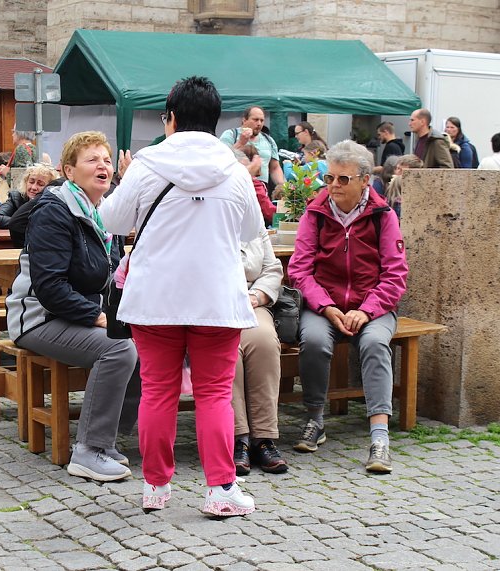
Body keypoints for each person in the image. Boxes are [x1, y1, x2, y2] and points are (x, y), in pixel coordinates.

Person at [100, 76, 262, 516]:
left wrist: (121, 177)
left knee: (157, 391)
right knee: (213, 394)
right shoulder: (235, 169)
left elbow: (110, 218)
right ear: (215, 121)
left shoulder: (147, 164)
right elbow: (250, 231)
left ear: (170, 117)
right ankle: (221, 490)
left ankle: (155, 486)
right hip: (216, 298)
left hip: (155, 297)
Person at [5, 131, 139, 483]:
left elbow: (110, 279)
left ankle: (109, 441)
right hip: (38, 317)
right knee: (118, 349)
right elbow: (50, 288)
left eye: (107, 160)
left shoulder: (102, 216)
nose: (103, 166)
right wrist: (100, 318)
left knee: (145, 339)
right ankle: (88, 452)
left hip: (76, 315)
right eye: (92, 159)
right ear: (68, 170)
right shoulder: (55, 210)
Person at [287, 139, 408, 474]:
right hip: (324, 305)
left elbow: (395, 275)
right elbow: (299, 269)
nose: (334, 186)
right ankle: (315, 420)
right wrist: (326, 307)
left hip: (373, 306)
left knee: (373, 342)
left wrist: (366, 310)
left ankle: (379, 438)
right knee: (312, 341)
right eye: (330, 178)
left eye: (343, 179)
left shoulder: (383, 216)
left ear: (364, 180)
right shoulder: (316, 211)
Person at [232, 229, 286, 476]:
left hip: (252, 302)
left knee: (263, 341)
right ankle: (237, 437)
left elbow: (273, 269)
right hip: (211, 306)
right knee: (227, 349)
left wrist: (256, 296)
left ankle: (263, 438)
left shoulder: (254, 226)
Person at [220, 106, 286, 191]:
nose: (259, 123)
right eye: (255, 120)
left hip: (261, 188)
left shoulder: (269, 140)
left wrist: (282, 186)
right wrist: (240, 143)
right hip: (237, 186)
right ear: (244, 120)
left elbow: (274, 168)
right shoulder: (231, 134)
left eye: (262, 120)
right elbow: (221, 160)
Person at [0, 163, 58, 230]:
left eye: (40, 184)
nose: (33, 187)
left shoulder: (54, 204)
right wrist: (25, 223)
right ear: (25, 182)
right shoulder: (16, 197)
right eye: (31, 182)